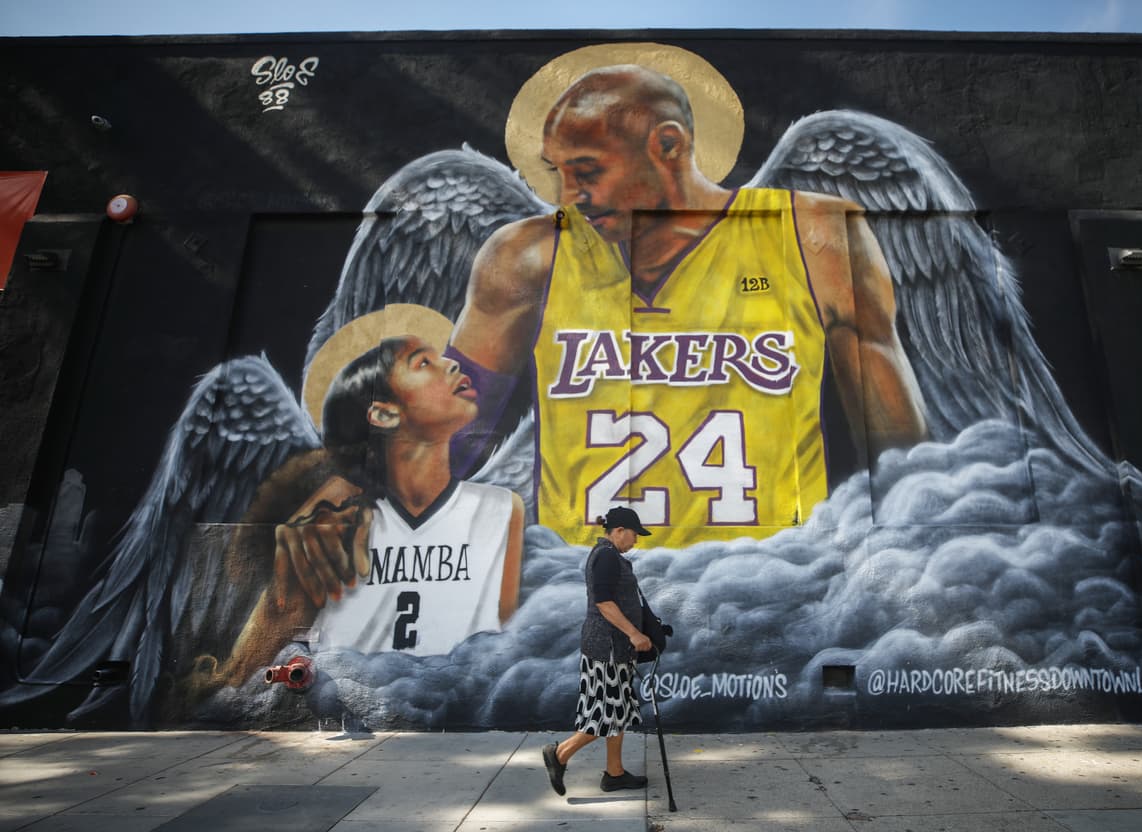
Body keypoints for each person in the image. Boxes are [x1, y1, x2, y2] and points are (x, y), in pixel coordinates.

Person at [447, 64, 928, 548]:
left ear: (669, 145)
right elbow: (441, 437)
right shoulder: (527, 258)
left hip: (772, 588)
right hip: (584, 589)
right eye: (559, 172)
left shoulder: (812, 235)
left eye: (588, 171)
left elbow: (902, 464)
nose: (570, 195)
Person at [206, 328, 525, 686]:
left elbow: (502, 650)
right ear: (383, 414)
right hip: (352, 704)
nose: (451, 362)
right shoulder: (335, 518)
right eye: (423, 362)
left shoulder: (502, 508)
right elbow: (247, 667)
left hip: (457, 699)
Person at [543, 505, 653, 796]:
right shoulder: (606, 556)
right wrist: (634, 633)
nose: (636, 540)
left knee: (618, 710)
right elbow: (604, 602)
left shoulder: (610, 555)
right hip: (608, 648)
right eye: (633, 534)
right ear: (618, 531)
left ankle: (614, 774)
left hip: (613, 648)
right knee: (604, 714)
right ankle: (560, 754)